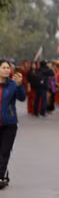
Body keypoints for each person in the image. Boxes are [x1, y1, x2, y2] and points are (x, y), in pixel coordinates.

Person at [0, 60, 26, 189]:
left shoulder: (13, 84)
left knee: (4, 151)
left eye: (8, 68)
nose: (7, 70)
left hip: (9, 123)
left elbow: (22, 98)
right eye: (4, 67)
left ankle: (1, 176)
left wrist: (20, 85)